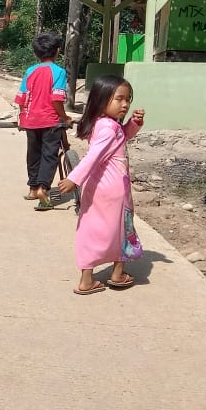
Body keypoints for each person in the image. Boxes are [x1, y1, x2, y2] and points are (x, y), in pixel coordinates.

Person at [57, 74, 145, 295]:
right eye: (119, 99)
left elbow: (120, 138)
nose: (125, 104)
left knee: (91, 229)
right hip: (114, 189)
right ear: (102, 98)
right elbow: (93, 156)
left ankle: (87, 280)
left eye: (128, 99)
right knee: (121, 229)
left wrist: (134, 123)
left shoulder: (102, 124)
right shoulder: (109, 127)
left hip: (96, 188)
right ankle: (117, 274)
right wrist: (73, 178)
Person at [14, 31, 71, 210]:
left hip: (30, 120)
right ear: (57, 51)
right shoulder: (59, 72)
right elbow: (56, 99)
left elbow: (22, 98)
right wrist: (65, 117)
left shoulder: (30, 71)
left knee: (33, 153)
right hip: (51, 121)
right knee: (49, 155)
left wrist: (22, 117)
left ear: (36, 53)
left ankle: (32, 188)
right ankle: (43, 188)